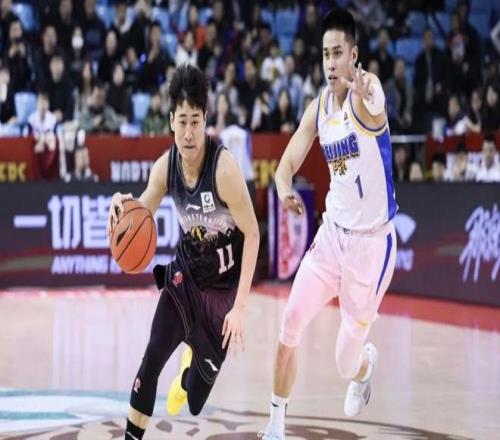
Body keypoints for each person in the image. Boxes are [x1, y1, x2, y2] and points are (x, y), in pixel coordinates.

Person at [259, 8, 397, 439]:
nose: (331, 63)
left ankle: (364, 367)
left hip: (371, 248)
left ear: (353, 55)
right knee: (290, 323)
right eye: (325, 54)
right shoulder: (318, 108)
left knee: (344, 361)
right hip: (332, 238)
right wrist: (284, 189)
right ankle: (275, 426)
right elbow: (286, 165)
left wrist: (371, 90)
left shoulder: (365, 97)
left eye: (339, 53)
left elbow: (376, 103)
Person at [107, 65, 259, 440]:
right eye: (182, 122)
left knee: (194, 400)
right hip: (185, 277)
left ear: (205, 119)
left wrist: (240, 307)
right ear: (171, 121)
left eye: (195, 122)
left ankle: (190, 366)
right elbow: (142, 210)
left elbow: (253, 234)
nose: (188, 133)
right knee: (151, 358)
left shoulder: (224, 170)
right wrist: (123, 205)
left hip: (222, 292)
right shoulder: (165, 168)